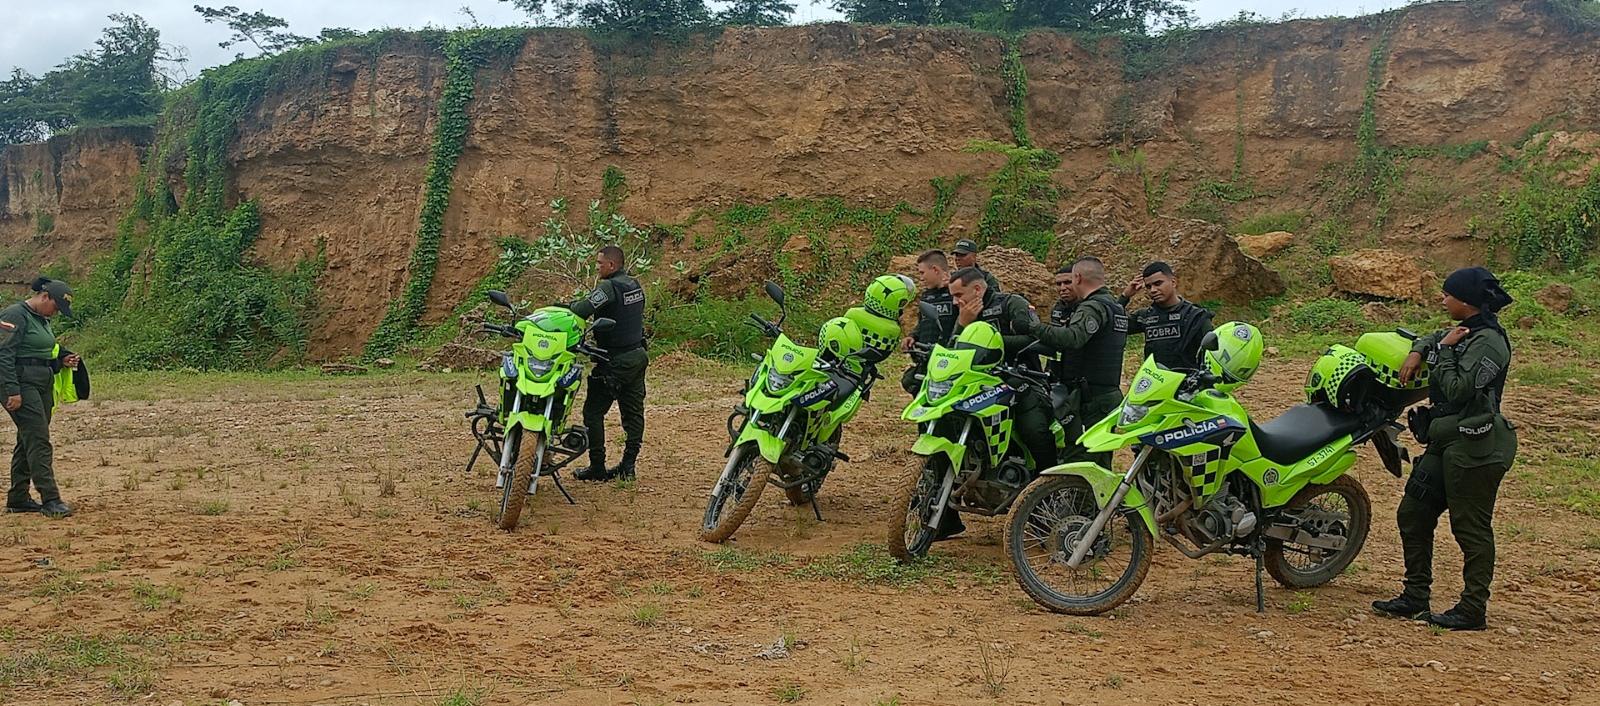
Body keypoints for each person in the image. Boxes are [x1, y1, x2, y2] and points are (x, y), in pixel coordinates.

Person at [1373, 267, 1518, 631]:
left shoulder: (1489, 342)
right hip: (1446, 440)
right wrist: (1421, 349)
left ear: (1465, 301)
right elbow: (1437, 336)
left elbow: (1458, 390)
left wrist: (1445, 352)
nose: (1442, 299)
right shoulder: (1465, 332)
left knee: (1471, 528)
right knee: (1413, 513)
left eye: (1447, 295)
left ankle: (1472, 610)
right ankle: (1415, 596)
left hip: (1476, 444)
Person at [948, 266, 1052, 469]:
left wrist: (993, 341)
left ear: (977, 289)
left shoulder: (1012, 303)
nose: (955, 301)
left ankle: (1047, 480)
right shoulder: (965, 313)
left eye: (958, 295)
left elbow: (1035, 338)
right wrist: (962, 324)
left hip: (1022, 380)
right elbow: (954, 351)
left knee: (1033, 429)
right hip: (979, 384)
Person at [1030, 257, 1129, 465]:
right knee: (1099, 461)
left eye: (1070, 280)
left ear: (1078, 277)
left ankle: (1087, 499)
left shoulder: (1091, 307)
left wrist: (1033, 327)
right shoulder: (1115, 307)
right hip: (1105, 394)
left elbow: (1073, 338)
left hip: (1090, 399)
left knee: (1080, 461)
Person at [1, 277, 79, 518]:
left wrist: (59, 362)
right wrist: (12, 390)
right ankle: (51, 499)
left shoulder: (41, 318)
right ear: (45, 297)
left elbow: (37, 353)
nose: (56, 313)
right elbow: (4, 354)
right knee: (38, 439)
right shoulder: (15, 314)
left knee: (29, 439)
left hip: (41, 382)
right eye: (56, 307)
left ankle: (18, 498)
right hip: (21, 385)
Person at [570, 246, 648, 482]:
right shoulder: (634, 285)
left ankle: (597, 466)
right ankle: (628, 466)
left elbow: (583, 310)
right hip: (637, 356)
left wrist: (566, 306)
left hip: (615, 362)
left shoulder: (609, 287)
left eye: (599, 264)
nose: (597, 268)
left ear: (612, 265)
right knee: (633, 414)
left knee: (593, 412)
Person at [1119, 261, 1213, 371]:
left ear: (1173, 282)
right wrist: (1124, 296)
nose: (1153, 290)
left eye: (1158, 284)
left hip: (1189, 383)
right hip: (1156, 383)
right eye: (1148, 287)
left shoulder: (1195, 316)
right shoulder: (1145, 316)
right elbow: (1115, 324)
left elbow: (1212, 354)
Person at [900, 250, 956, 394]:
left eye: (922, 273)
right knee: (910, 382)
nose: (921, 278)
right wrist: (912, 337)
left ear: (935, 270)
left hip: (950, 359)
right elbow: (923, 323)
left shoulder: (956, 293)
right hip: (927, 357)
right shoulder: (927, 296)